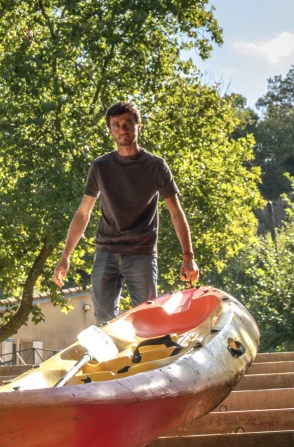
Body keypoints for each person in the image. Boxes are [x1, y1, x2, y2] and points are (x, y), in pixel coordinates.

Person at [53, 102, 199, 321]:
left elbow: (176, 213)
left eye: (128, 123)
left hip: (141, 252)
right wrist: (65, 256)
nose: (123, 129)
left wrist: (188, 257)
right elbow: (83, 213)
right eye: (117, 125)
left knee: (148, 318)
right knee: (103, 318)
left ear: (138, 126)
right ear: (110, 130)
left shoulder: (156, 166)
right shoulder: (100, 166)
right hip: (106, 252)